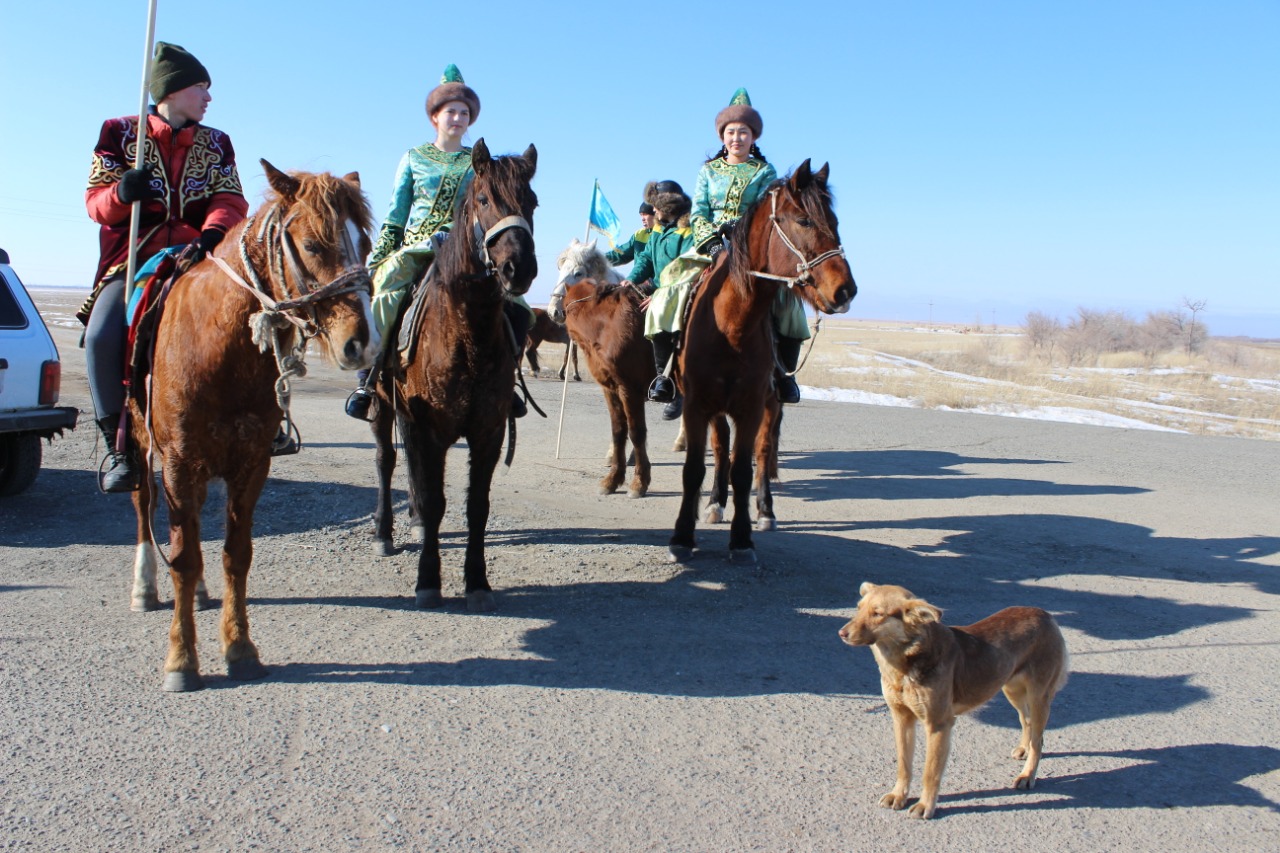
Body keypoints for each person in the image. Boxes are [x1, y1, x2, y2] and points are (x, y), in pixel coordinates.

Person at [83, 41, 255, 493]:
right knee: (101, 334)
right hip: (134, 257)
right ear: (173, 90)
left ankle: (267, 421)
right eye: (202, 87)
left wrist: (213, 235)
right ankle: (118, 445)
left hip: (200, 255)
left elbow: (230, 197)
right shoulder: (119, 133)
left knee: (258, 314)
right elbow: (95, 204)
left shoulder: (217, 142)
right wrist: (122, 192)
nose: (208, 97)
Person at [346, 64, 532, 421]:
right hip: (418, 247)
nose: (458, 119)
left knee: (518, 307)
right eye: (451, 112)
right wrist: (381, 257)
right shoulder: (413, 158)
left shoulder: (479, 163)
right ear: (435, 117)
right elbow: (396, 214)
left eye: (465, 113)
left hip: (466, 250)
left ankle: (510, 383)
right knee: (385, 292)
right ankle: (367, 380)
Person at [628, 182, 695, 420]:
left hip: (682, 286)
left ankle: (667, 382)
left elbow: (686, 265)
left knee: (658, 310)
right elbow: (646, 258)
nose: (653, 211)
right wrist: (631, 280)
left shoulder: (689, 230)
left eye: (656, 207)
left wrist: (659, 291)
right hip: (660, 287)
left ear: (667, 207)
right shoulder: (658, 230)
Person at [605, 201, 657, 266]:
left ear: (656, 214)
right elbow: (621, 254)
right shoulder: (639, 235)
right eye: (641, 215)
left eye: (645, 214)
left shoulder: (667, 235)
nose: (642, 219)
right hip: (640, 276)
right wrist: (598, 257)